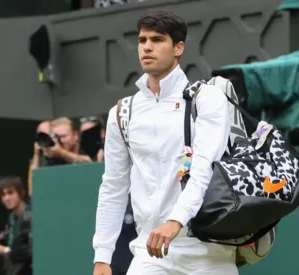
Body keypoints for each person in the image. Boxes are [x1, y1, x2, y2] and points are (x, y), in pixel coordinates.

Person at [92, 10, 237, 275]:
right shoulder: (123, 113)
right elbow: (113, 186)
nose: (147, 46)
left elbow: (204, 168)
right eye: (142, 40)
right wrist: (102, 255)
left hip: (207, 250)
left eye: (157, 39)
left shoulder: (208, 99)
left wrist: (176, 221)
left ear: (178, 47)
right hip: (150, 252)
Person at [0, 176, 32, 275]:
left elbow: (31, 251)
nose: (6, 198)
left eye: (10, 193)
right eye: (3, 195)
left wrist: (4, 250)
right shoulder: (12, 217)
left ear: (21, 193)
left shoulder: (29, 215)